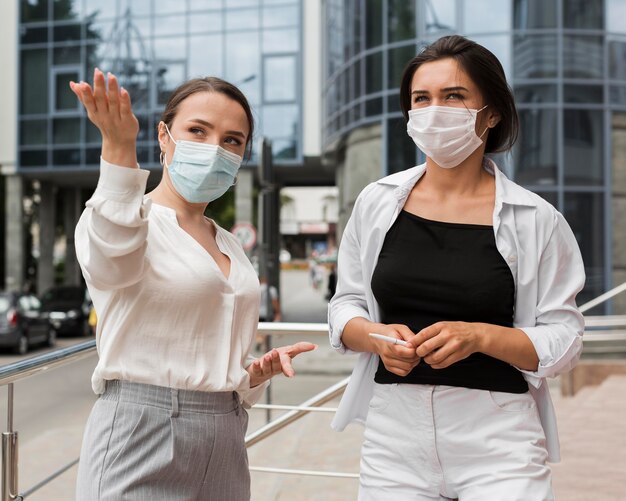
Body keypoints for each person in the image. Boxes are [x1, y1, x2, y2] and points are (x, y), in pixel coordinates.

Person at [328, 35, 585, 501]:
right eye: (420, 99)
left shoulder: (538, 220)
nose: (433, 110)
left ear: (492, 113)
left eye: (453, 96)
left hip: (498, 441)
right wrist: (376, 338)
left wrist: (480, 336)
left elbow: (565, 339)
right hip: (394, 438)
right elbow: (345, 304)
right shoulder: (376, 202)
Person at [70, 69, 316, 500]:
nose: (214, 149)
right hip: (140, 431)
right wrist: (118, 147)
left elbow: (205, 336)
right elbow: (111, 260)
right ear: (164, 137)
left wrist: (252, 373)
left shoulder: (229, 244)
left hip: (225, 431)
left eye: (232, 140)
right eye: (197, 131)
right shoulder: (126, 220)